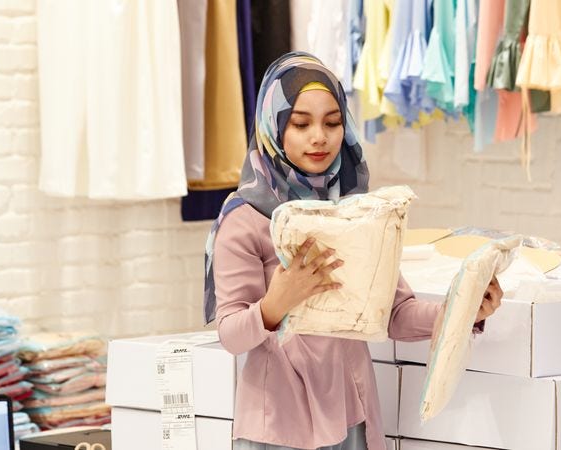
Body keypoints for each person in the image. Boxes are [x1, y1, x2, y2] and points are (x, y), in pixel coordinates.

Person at [203, 52, 504, 450]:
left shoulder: (359, 211)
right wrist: (276, 304)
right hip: (278, 423)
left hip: (351, 413)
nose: (319, 137)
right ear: (272, 127)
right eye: (300, 123)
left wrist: (464, 310)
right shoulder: (245, 219)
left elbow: (395, 314)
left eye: (332, 122)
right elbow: (230, 335)